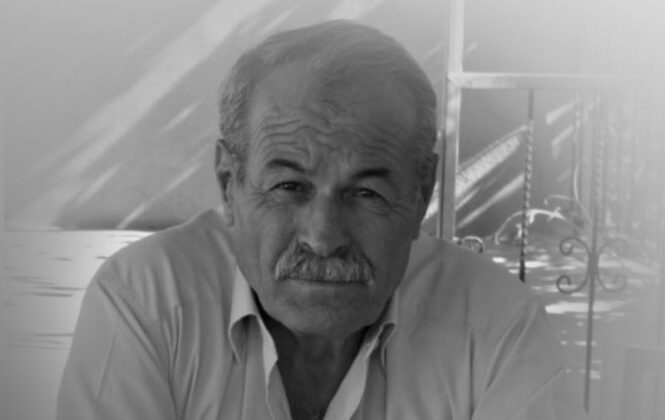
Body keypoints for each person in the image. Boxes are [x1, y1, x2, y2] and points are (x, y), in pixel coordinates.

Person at [57, 20, 585, 420]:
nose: (323, 237)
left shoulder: (496, 327)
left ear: (420, 193)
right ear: (229, 184)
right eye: (289, 187)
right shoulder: (146, 302)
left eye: (366, 192)